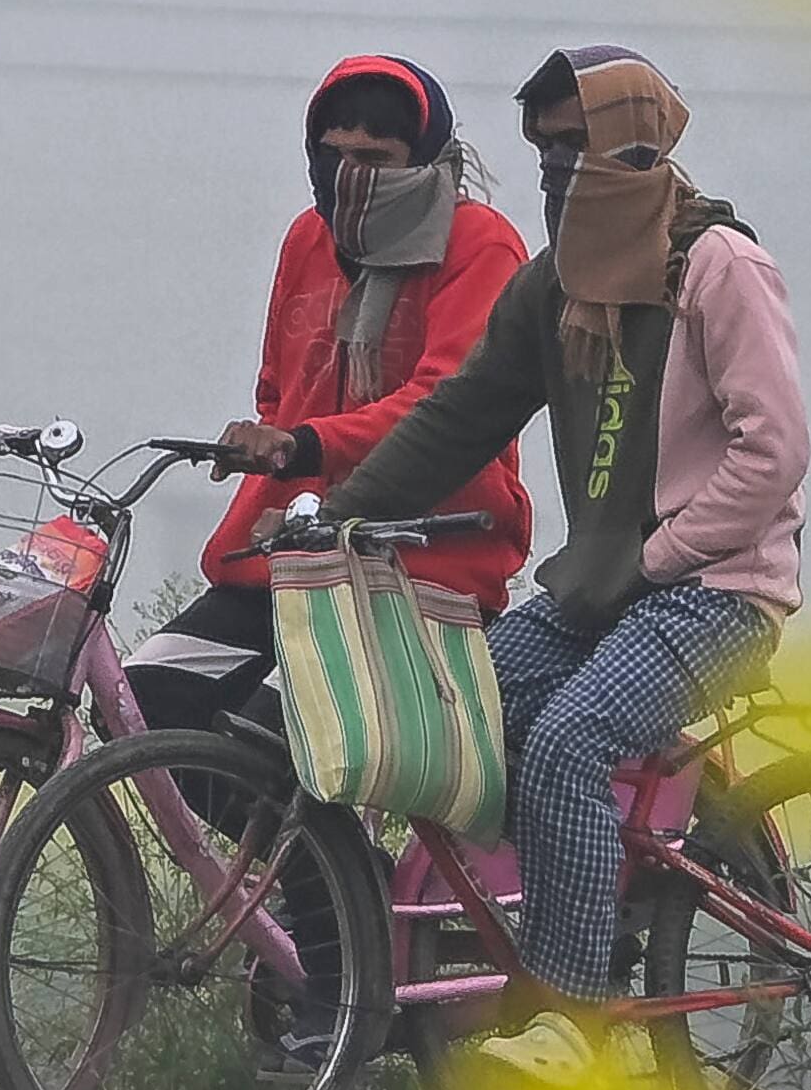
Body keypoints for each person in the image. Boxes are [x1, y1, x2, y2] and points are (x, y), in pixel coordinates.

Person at [298, 43, 809, 1082]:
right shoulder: (554, 287)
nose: (556, 175)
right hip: (604, 588)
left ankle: (572, 1017)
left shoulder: (718, 269)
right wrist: (340, 512)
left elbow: (775, 451)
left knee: (572, 740)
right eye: (543, 153)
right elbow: (464, 413)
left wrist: (662, 553)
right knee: (462, 709)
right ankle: (515, 951)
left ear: (636, 150)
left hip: (717, 593)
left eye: (576, 150)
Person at [126, 52, 534, 734]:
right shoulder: (307, 239)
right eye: (333, 153)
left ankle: (331, 847)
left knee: (277, 731)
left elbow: (449, 405)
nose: (348, 175)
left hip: (422, 562)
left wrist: (301, 444)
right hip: (294, 554)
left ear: (426, 156)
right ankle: (299, 847)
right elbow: (278, 389)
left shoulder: (479, 245)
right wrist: (272, 440)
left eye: (375, 157)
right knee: (141, 700)